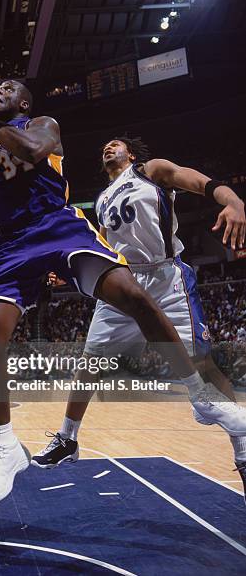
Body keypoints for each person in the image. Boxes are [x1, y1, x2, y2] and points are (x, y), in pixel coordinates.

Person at [0, 80, 246, 507]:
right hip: (9, 241)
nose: (0, 90)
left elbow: (30, 151)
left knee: (131, 295)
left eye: (10, 88)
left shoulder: (44, 124)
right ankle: (8, 445)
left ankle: (199, 395)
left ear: (24, 102)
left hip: (58, 225)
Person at [31, 137, 246, 493]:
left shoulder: (151, 171)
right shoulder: (102, 199)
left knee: (203, 365)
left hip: (165, 278)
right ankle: (67, 439)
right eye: (104, 146)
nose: (107, 148)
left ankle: (240, 444)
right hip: (123, 282)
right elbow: (101, 245)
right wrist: (67, 271)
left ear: (130, 154)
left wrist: (234, 201)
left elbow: (198, 181)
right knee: (90, 365)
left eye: (115, 144)